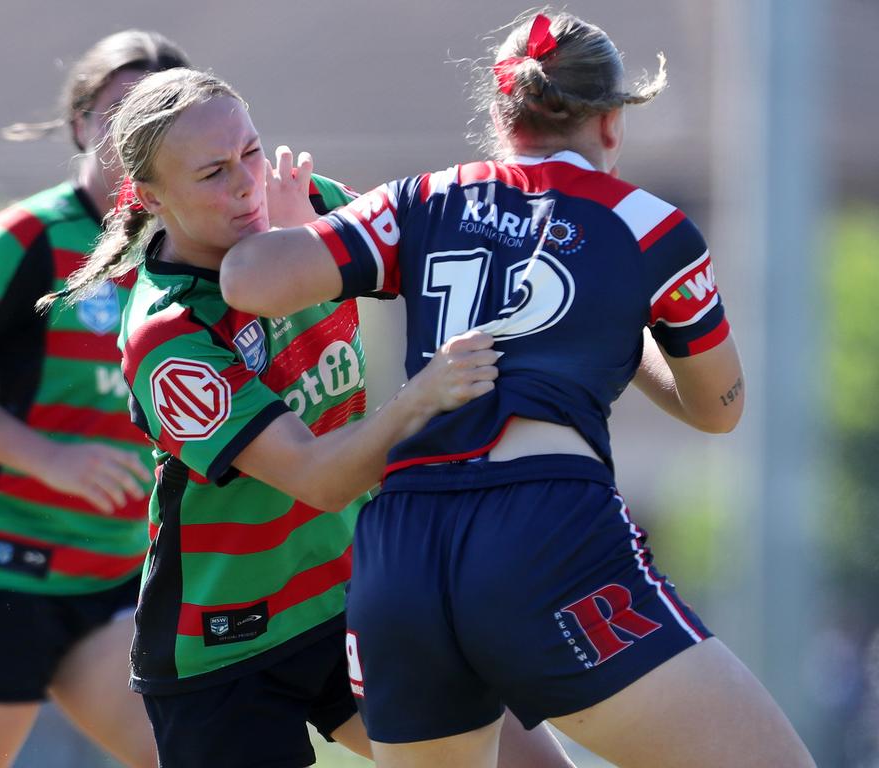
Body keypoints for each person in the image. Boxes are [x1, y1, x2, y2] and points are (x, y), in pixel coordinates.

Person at [220, 9, 818, 768]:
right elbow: (717, 409)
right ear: (610, 121)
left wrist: (283, 230)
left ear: (502, 116)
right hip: (545, 534)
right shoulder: (648, 225)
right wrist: (623, 334)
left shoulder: (421, 198)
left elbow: (248, 280)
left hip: (401, 554)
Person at [48, 66, 576, 768]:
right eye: (212, 173)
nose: (246, 185)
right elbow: (318, 477)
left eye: (251, 152)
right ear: (153, 198)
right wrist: (425, 394)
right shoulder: (166, 335)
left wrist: (315, 251)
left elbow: (452, 252)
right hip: (224, 647)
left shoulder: (308, 206)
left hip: (353, 595)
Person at [0, 31, 192, 768]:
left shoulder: (184, 251)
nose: (136, 130)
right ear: (83, 123)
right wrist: (47, 458)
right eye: (120, 111)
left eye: (160, 112)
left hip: (117, 581)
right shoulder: (31, 235)